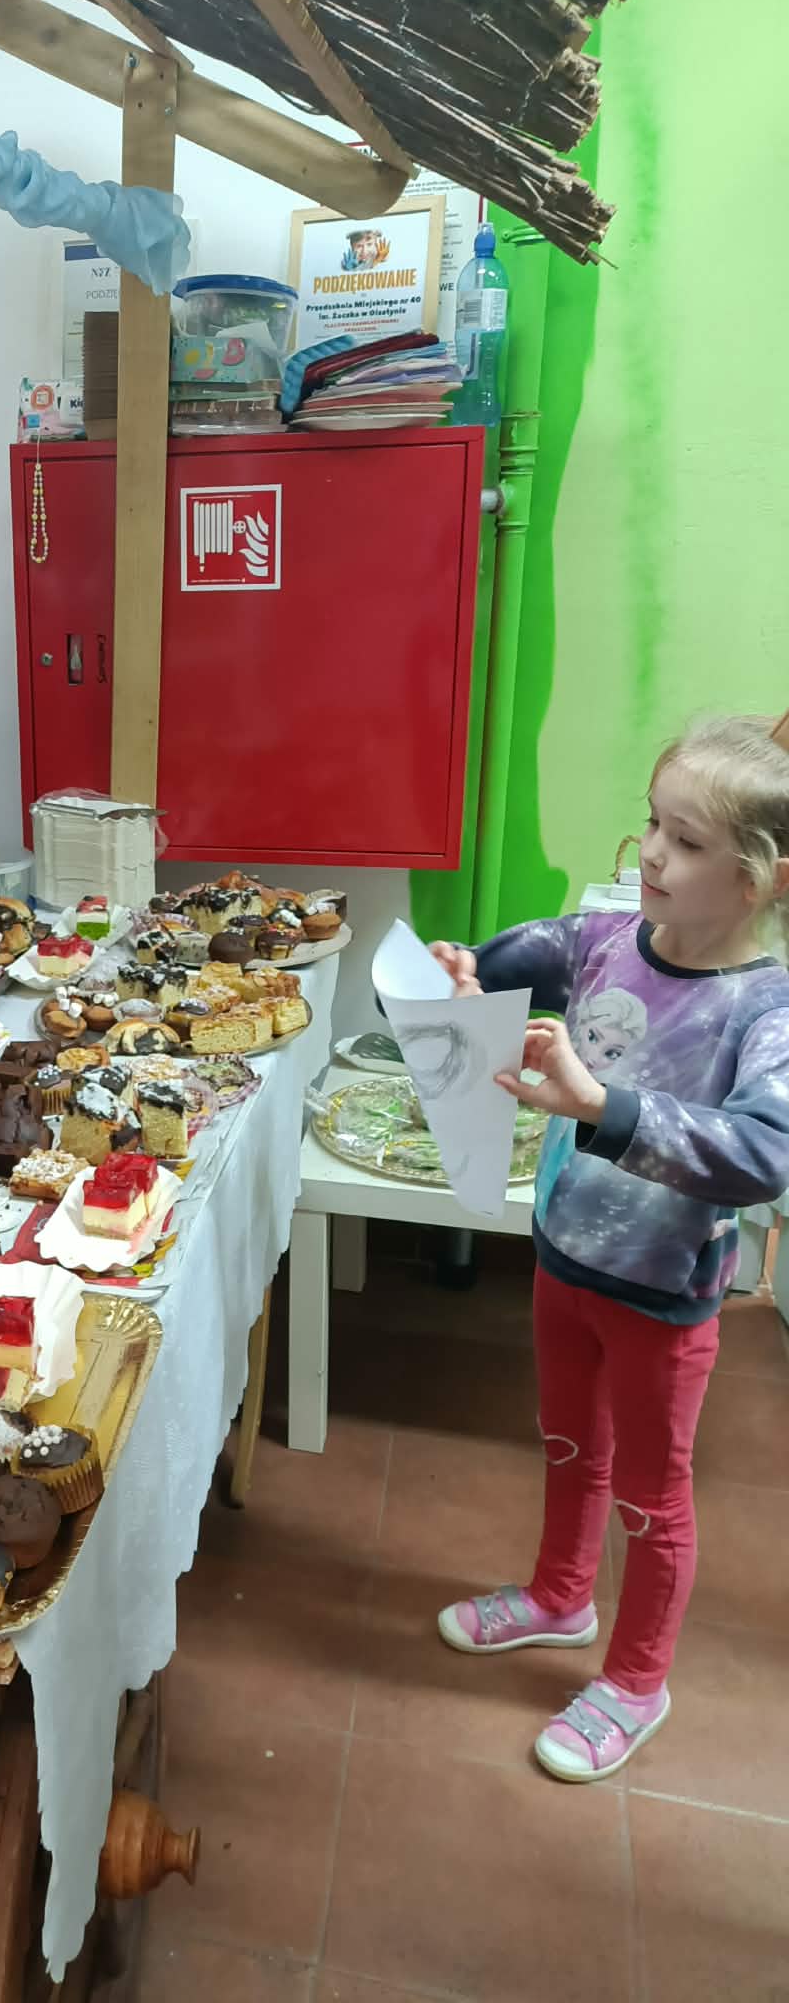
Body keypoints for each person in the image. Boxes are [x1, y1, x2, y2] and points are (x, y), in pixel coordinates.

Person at [430, 714, 789, 1781]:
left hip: (661, 1297)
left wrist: (601, 1105)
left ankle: (637, 1679)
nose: (652, 856)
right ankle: (559, 1597)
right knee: (567, 1444)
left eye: (686, 841)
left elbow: (765, 1153)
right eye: (652, 825)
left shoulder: (765, 1007)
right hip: (564, 1257)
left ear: (760, 881)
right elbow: (518, 954)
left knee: (652, 1494)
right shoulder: (603, 938)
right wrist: (464, 972)